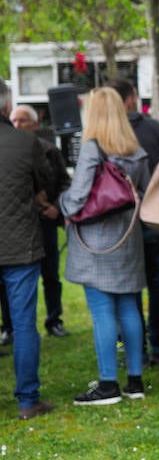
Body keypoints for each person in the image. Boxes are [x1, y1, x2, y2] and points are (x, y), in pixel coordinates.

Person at [58, 87, 151, 405]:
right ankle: (135, 382)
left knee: (102, 312)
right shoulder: (136, 151)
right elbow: (146, 192)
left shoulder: (92, 147)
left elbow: (79, 195)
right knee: (129, 308)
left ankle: (109, 385)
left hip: (96, 241)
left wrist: (63, 204)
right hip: (127, 238)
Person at [107, 79, 159, 366]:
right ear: (129, 99)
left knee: (130, 288)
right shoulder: (152, 128)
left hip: (122, 224)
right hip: (153, 218)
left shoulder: (106, 134)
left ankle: (136, 347)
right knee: (157, 284)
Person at [0, 78, 53, 420]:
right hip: (20, 246)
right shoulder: (26, 142)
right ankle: (27, 400)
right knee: (23, 325)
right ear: (7, 106)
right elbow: (45, 180)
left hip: (18, 244)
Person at [9, 104, 71, 338]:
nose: (17, 125)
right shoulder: (7, 151)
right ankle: (10, 327)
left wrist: (56, 206)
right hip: (17, 224)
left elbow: (64, 182)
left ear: (35, 124)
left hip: (44, 221)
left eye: (23, 120)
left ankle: (54, 319)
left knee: (51, 273)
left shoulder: (48, 150)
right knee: (12, 278)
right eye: (13, 120)